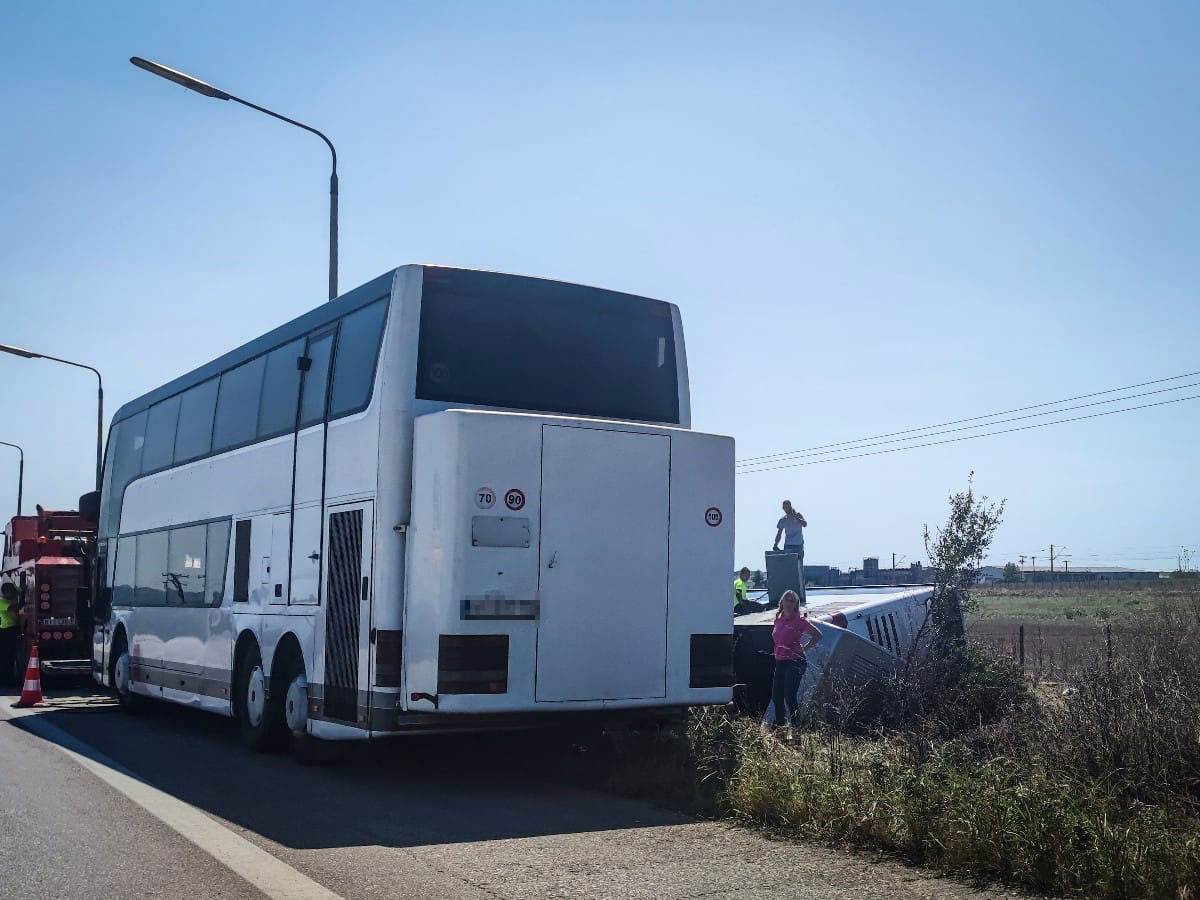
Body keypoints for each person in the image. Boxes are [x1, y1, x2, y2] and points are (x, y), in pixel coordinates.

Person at [770, 589, 822, 736]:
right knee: (776, 697)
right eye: (786, 599)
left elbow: (818, 635)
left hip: (795, 662)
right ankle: (781, 730)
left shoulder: (800, 621)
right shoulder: (778, 619)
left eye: (792, 601)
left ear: (795, 605)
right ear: (782, 602)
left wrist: (804, 649)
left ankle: (797, 731)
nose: (788, 603)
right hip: (780, 661)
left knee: (789, 696)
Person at [772, 499, 807, 601]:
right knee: (789, 570)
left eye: (787, 507)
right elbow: (779, 533)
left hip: (798, 545)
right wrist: (775, 544)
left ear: (790, 506)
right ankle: (789, 595)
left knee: (799, 569)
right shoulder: (783, 520)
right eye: (784, 507)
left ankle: (801, 595)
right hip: (788, 546)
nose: (786, 509)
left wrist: (797, 518)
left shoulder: (798, 515)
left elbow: (805, 524)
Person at [0, 582, 21, 686]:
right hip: (6, 631)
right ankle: (5, 680)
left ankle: (8, 679)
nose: (14, 593)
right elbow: (15, 609)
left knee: (11, 656)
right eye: (11, 591)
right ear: (6, 592)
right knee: (6, 657)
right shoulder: (2, 602)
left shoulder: (9, 600)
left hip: (12, 630)